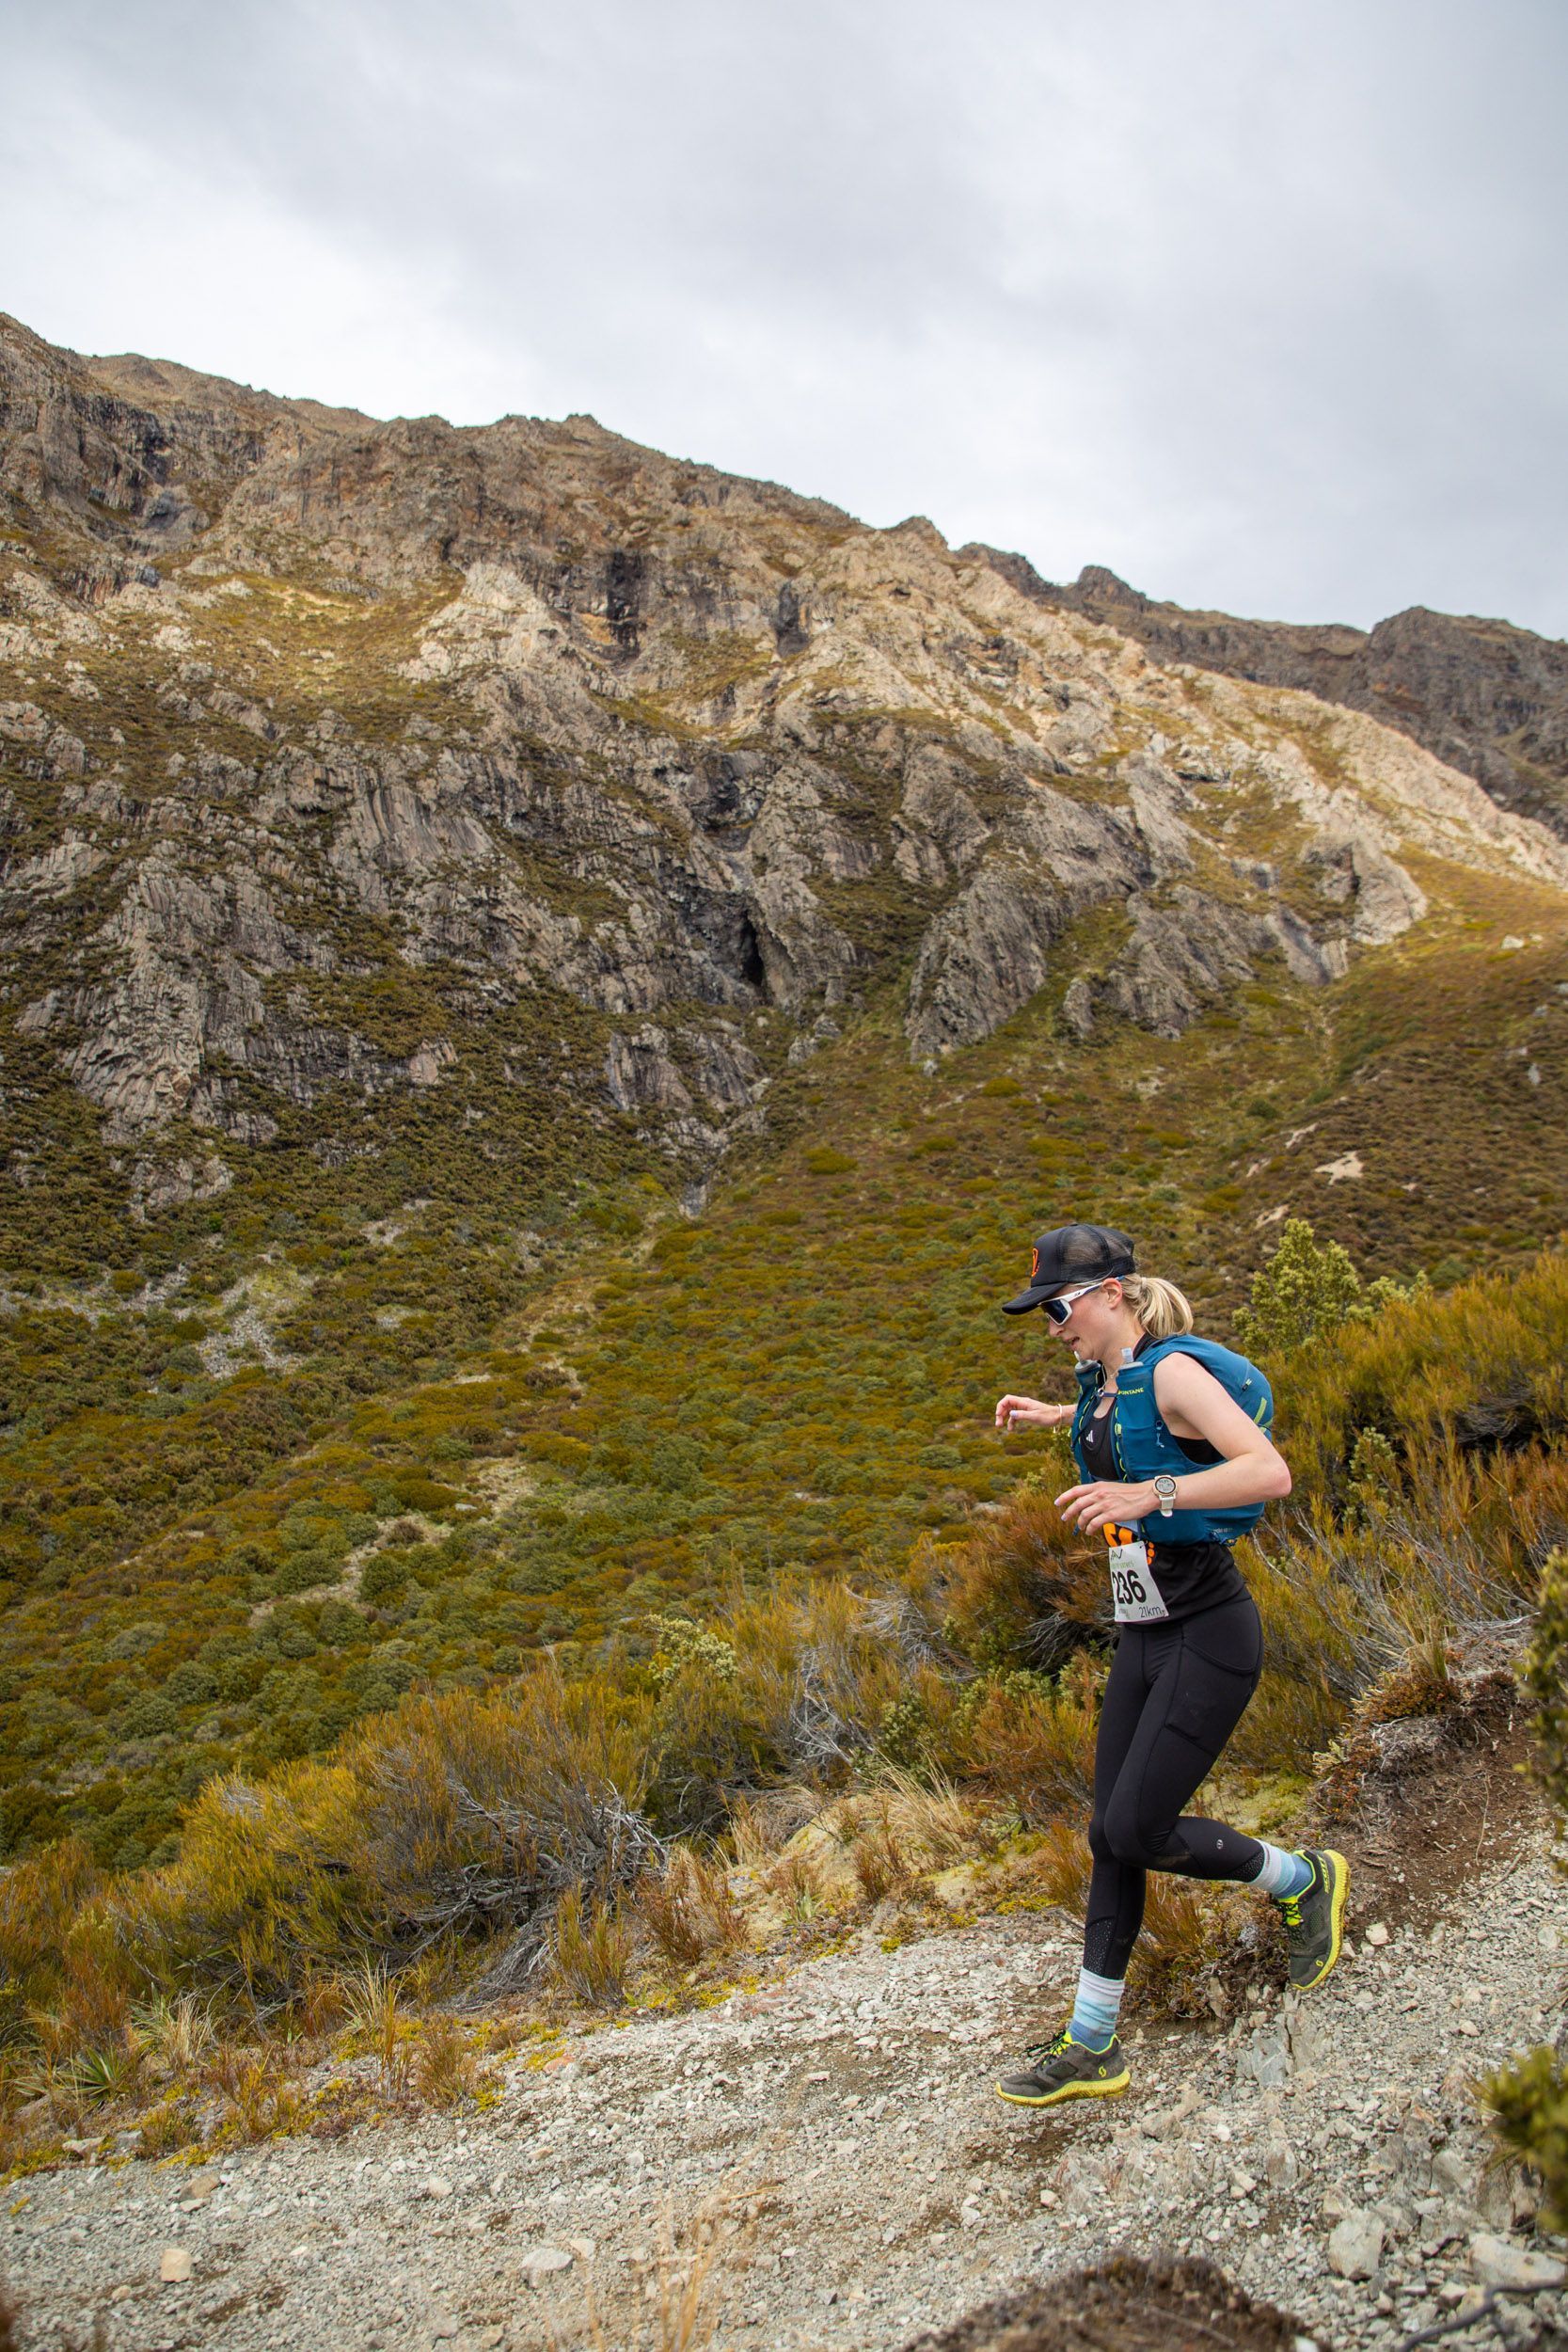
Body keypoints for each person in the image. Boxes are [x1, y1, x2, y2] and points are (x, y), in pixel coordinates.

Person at [989, 1221, 1348, 2109]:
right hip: (1144, 1629)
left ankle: (1302, 1879)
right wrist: (1053, 1418)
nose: (1052, 1326)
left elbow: (1267, 1473)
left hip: (1206, 1630)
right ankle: (1091, 2043)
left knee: (1138, 1831)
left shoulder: (1176, 1372)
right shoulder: (1099, 1383)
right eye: (1041, 1314)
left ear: (1111, 1294)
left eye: (1060, 1307)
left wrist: (1148, 1495)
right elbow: (1123, 1430)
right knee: (1108, 1831)